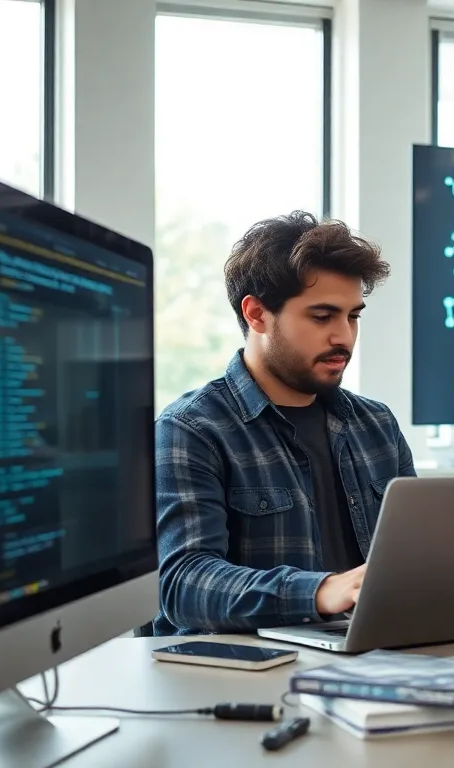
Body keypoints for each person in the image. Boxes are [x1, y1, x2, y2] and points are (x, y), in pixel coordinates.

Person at [153, 212, 417, 636]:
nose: (344, 337)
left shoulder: (377, 425)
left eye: (353, 316)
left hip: (377, 654)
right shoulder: (191, 429)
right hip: (250, 666)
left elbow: (414, 561)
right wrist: (321, 592)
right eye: (322, 316)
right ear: (256, 314)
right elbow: (184, 584)